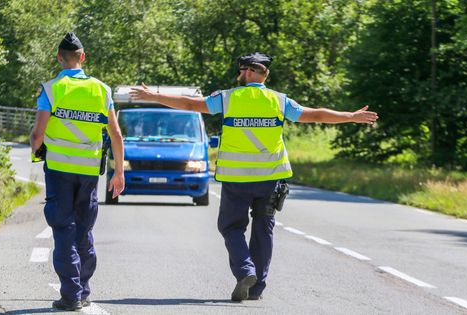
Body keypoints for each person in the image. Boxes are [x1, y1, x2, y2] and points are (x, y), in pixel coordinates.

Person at [129, 52, 378, 302]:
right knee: (263, 229)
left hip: (237, 180)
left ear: (246, 72)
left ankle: (245, 271)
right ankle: (256, 287)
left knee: (230, 227)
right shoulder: (279, 101)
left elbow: (192, 104)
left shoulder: (227, 98)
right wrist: (350, 116)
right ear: (265, 73)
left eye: (241, 71)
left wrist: (154, 96)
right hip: (271, 178)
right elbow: (315, 114)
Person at [30, 32, 125, 311]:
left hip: (59, 170)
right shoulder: (102, 90)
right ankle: (83, 291)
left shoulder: (50, 89)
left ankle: (71, 294)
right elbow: (116, 134)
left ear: (59, 57)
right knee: (84, 230)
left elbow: (38, 134)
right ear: (83, 58)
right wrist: (119, 172)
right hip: (88, 173)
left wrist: (35, 150)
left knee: (63, 228)